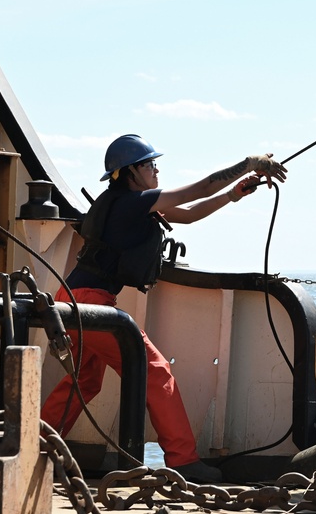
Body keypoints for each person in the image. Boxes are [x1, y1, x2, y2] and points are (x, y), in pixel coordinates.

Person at [41, 134, 287, 484]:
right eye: (150, 165)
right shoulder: (132, 202)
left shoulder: (124, 201)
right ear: (130, 172)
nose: (156, 170)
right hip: (90, 305)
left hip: (72, 299)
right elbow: (195, 192)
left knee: (85, 379)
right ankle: (184, 461)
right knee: (154, 372)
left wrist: (235, 194)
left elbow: (187, 215)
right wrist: (248, 163)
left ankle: (38, 447)